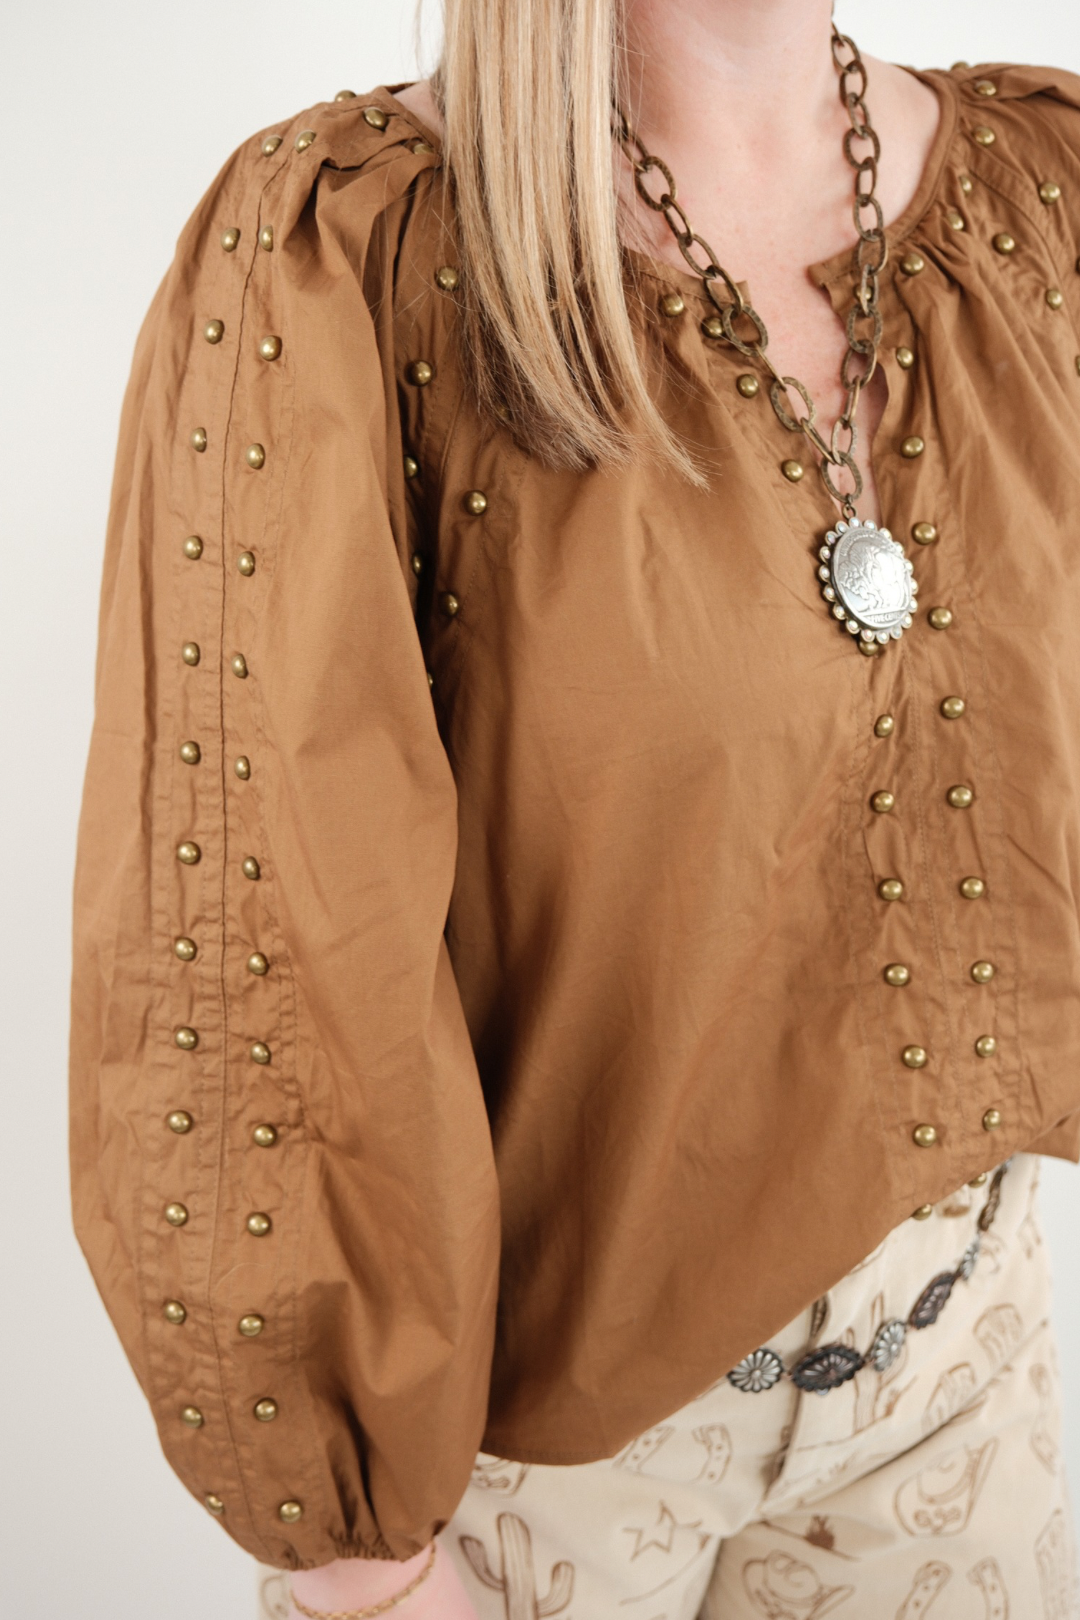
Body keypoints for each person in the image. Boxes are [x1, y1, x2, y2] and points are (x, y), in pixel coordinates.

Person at [69, 0, 1080, 1614]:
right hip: (543, 1489)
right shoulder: (350, 255)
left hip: (968, 1374)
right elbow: (258, 944)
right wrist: (373, 1575)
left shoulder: (1040, 192)